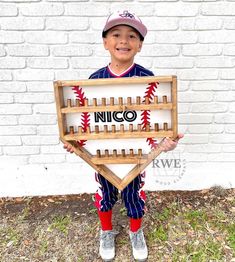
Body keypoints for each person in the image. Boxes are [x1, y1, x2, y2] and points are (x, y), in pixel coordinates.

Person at [64, 10, 184, 261]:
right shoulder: (94, 81)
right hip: (104, 154)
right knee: (105, 193)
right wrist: (76, 142)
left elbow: (158, 122)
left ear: (139, 45)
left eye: (132, 36)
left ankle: (135, 231)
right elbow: (86, 122)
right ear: (105, 42)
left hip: (136, 153)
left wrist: (165, 143)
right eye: (116, 34)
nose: (123, 41)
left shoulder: (149, 80)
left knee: (134, 195)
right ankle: (106, 230)